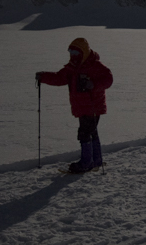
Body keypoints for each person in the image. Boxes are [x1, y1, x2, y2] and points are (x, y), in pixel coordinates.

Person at [36, 37, 114, 174]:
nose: (73, 55)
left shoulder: (94, 65)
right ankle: (96, 160)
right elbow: (59, 78)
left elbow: (108, 79)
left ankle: (86, 163)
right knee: (91, 132)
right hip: (81, 107)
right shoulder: (72, 67)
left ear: (84, 52)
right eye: (71, 52)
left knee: (84, 133)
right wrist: (44, 77)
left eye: (76, 52)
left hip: (93, 106)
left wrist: (94, 85)